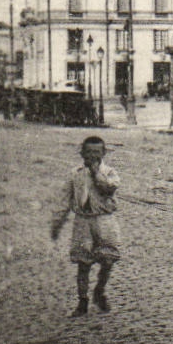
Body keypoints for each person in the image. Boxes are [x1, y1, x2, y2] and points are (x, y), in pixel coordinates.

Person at [50, 135, 121, 316]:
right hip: (82, 221)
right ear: (82, 153)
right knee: (83, 262)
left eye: (97, 152)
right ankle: (82, 300)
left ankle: (99, 290)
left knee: (108, 258)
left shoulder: (110, 172)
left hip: (104, 220)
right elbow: (65, 200)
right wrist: (57, 222)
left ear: (103, 153)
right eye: (88, 152)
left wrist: (97, 173)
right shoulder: (75, 173)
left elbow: (109, 188)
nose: (92, 156)